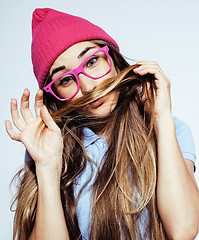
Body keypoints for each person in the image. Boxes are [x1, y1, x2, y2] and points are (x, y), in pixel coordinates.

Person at [5, 8, 199, 240]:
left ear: (113, 59)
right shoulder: (47, 149)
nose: (87, 87)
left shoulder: (172, 129)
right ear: (54, 95)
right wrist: (47, 166)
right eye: (66, 79)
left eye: (92, 61)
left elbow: (184, 230)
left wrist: (161, 119)